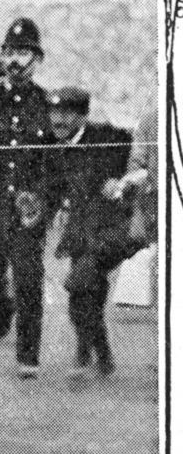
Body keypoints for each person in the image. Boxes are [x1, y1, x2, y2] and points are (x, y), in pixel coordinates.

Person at [0, 18, 63, 379]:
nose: (16, 60)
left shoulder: (48, 106)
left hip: (27, 212)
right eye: (10, 52)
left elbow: (58, 164)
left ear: (37, 60)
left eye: (24, 53)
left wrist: (43, 202)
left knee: (28, 279)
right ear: (2, 58)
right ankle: (2, 311)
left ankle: (28, 357)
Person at [47, 88, 140, 387]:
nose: (58, 119)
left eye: (66, 113)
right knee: (90, 297)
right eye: (54, 112)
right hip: (80, 234)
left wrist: (125, 181)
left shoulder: (108, 136)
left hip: (112, 232)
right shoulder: (55, 147)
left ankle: (88, 354)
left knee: (78, 287)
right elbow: (54, 188)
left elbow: (143, 152)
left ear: (82, 116)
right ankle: (98, 354)